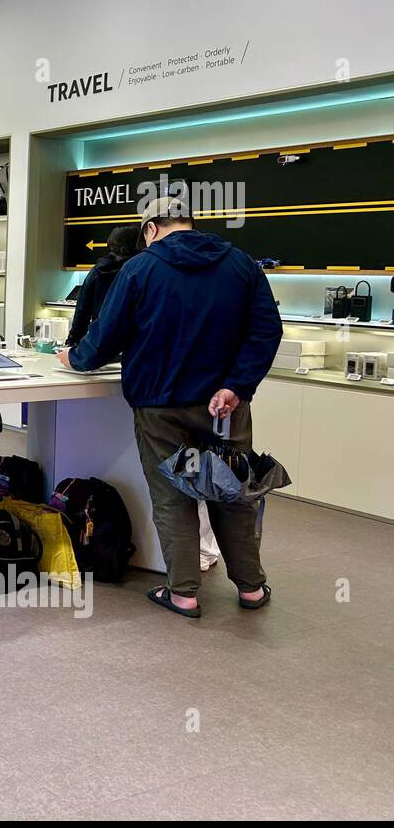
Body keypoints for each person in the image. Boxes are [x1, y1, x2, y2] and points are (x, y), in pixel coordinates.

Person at [58, 197, 282, 617]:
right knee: (233, 492)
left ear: (150, 229)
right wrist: (237, 386)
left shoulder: (140, 268)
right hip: (224, 407)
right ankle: (251, 588)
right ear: (190, 224)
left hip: (160, 403)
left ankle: (183, 592)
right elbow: (268, 329)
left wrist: (74, 357)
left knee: (173, 494)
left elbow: (106, 334)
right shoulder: (241, 264)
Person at [65, 225, 136, 348]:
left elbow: (83, 308)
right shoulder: (139, 270)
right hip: (132, 341)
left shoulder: (98, 270)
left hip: (101, 339)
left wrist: (73, 340)